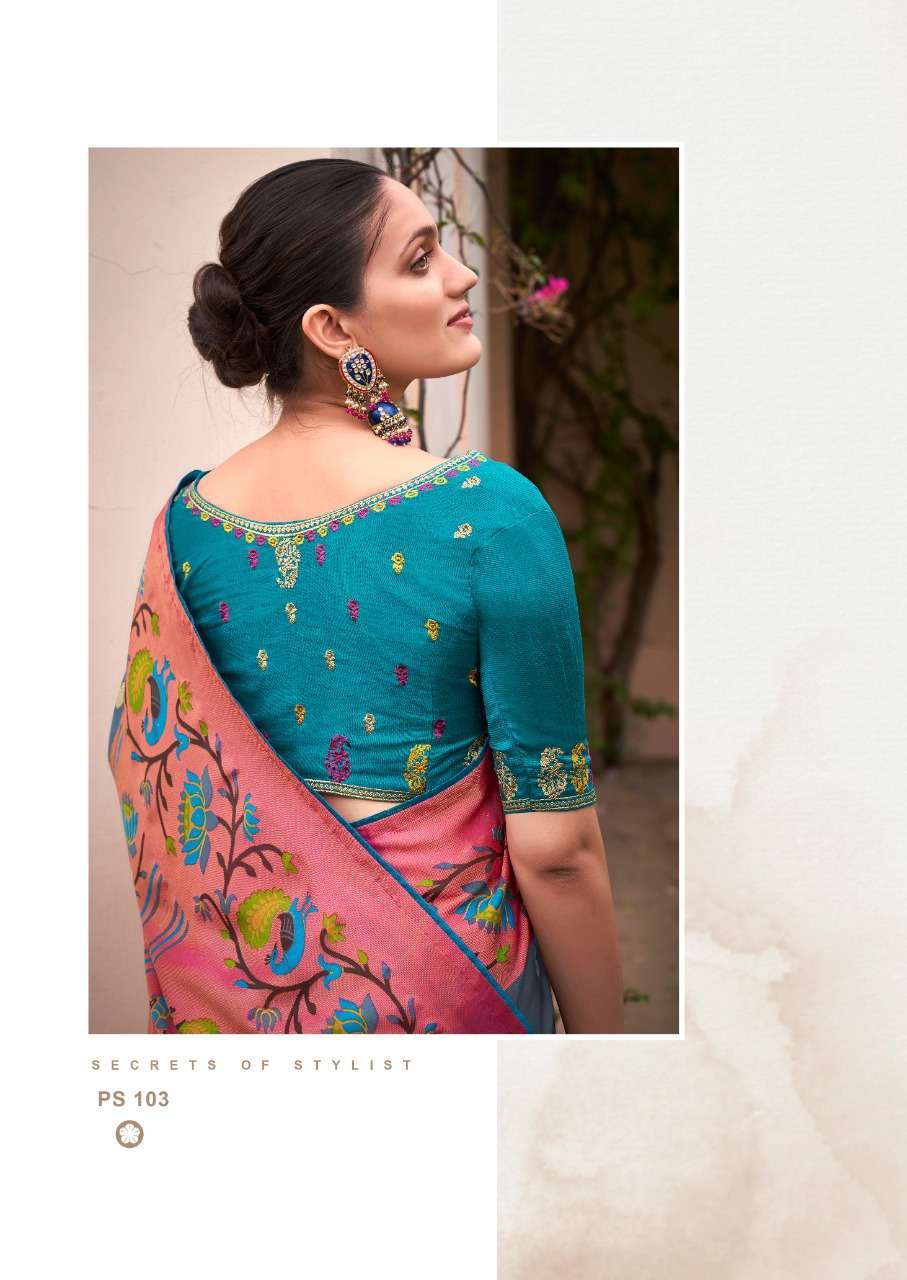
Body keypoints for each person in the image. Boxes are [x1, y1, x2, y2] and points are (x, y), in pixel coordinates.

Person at [108, 157, 623, 1035]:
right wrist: (609, 1058)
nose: (463, 276)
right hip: (442, 997)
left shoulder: (182, 525)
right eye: (421, 260)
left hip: (234, 1018)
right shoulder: (489, 514)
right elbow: (559, 852)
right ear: (330, 327)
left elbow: (147, 768)